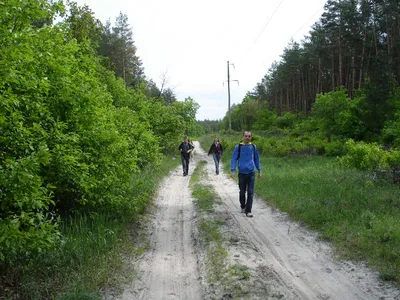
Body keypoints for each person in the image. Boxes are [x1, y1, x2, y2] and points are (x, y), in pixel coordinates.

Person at [230, 131, 262, 217]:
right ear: (243, 137)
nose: (247, 137)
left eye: (249, 136)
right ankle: (243, 206)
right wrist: (233, 170)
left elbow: (256, 159)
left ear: (251, 137)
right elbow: (234, 158)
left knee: (250, 192)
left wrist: (259, 170)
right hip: (242, 173)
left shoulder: (253, 147)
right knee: (242, 191)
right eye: (246, 136)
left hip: (251, 172)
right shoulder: (238, 147)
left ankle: (248, 211)